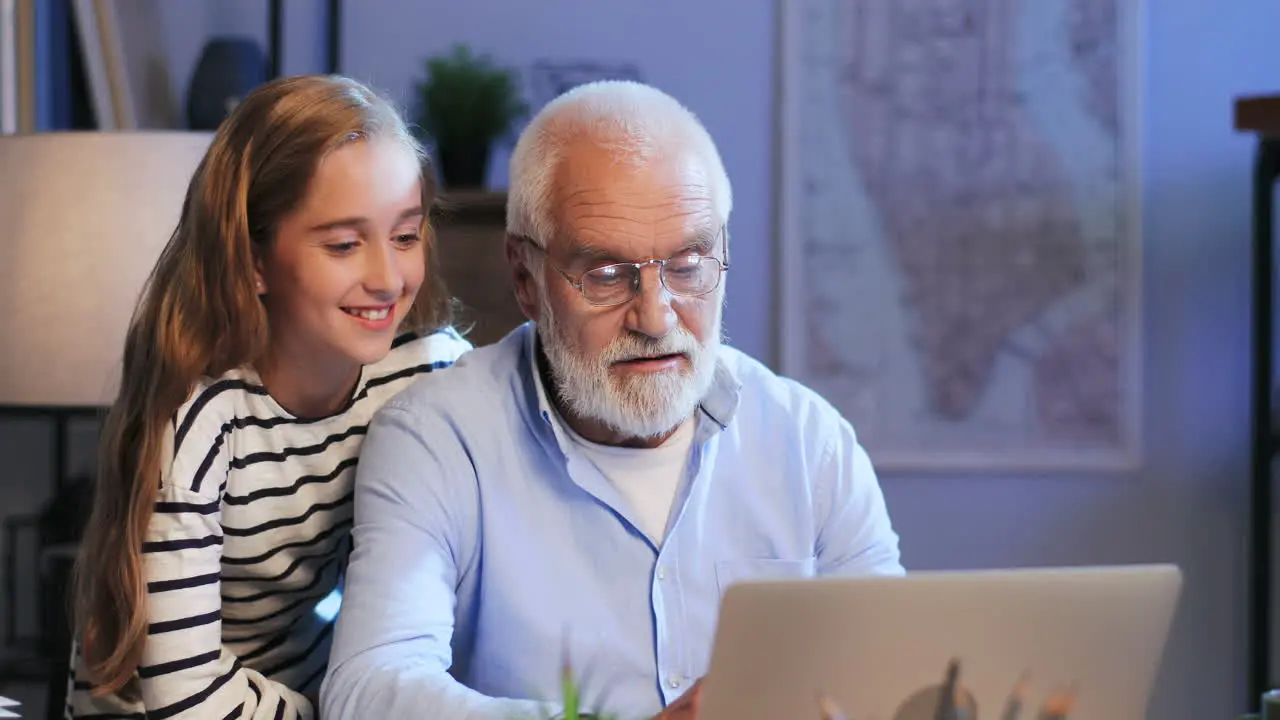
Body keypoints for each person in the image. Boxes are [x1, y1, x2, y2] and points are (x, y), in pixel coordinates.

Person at [321, 80, 903, 720]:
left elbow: (889, 673)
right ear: (526, 278)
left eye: (688, 266)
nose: (655, 318)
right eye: (604, 275)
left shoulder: (808, 440)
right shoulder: (437, 437)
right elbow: (369, 689)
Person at [65, 74, 471, 719]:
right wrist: (342, 709)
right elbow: (185, 696)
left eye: (405, 235)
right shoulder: (199, 422)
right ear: (254, 260)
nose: (388, 278)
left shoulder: (427, 371)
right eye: (343, 244)